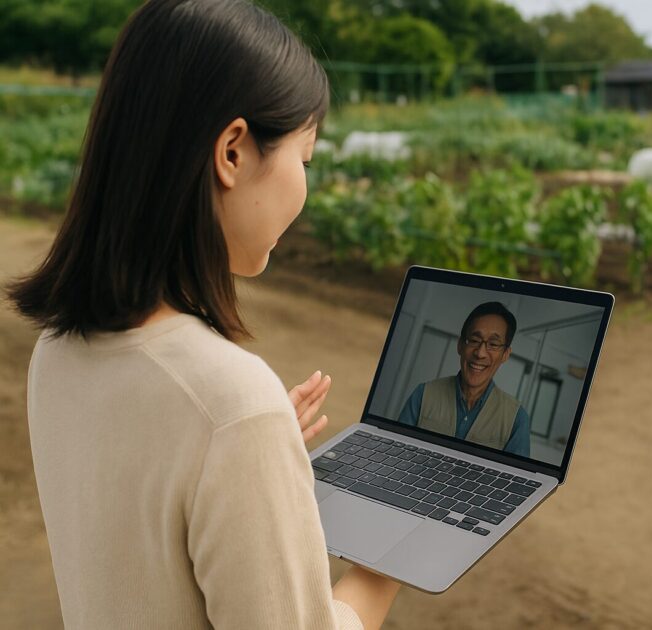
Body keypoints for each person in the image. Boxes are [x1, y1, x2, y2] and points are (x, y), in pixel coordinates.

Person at [4, 1, 399, 628]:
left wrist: (252, 468)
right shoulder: (233, 403)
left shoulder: (58, 349)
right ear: (234, 153)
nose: (306, 184)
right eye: (306, 158)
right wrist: (389, 560)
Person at [397, 302, 531, 457]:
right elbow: (396, 454)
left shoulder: (516, 418)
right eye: (474, 340)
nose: (480, 353)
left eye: (493, 344)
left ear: (505, 354)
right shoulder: (423, 394)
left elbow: (515, 478)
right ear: (460, 345)